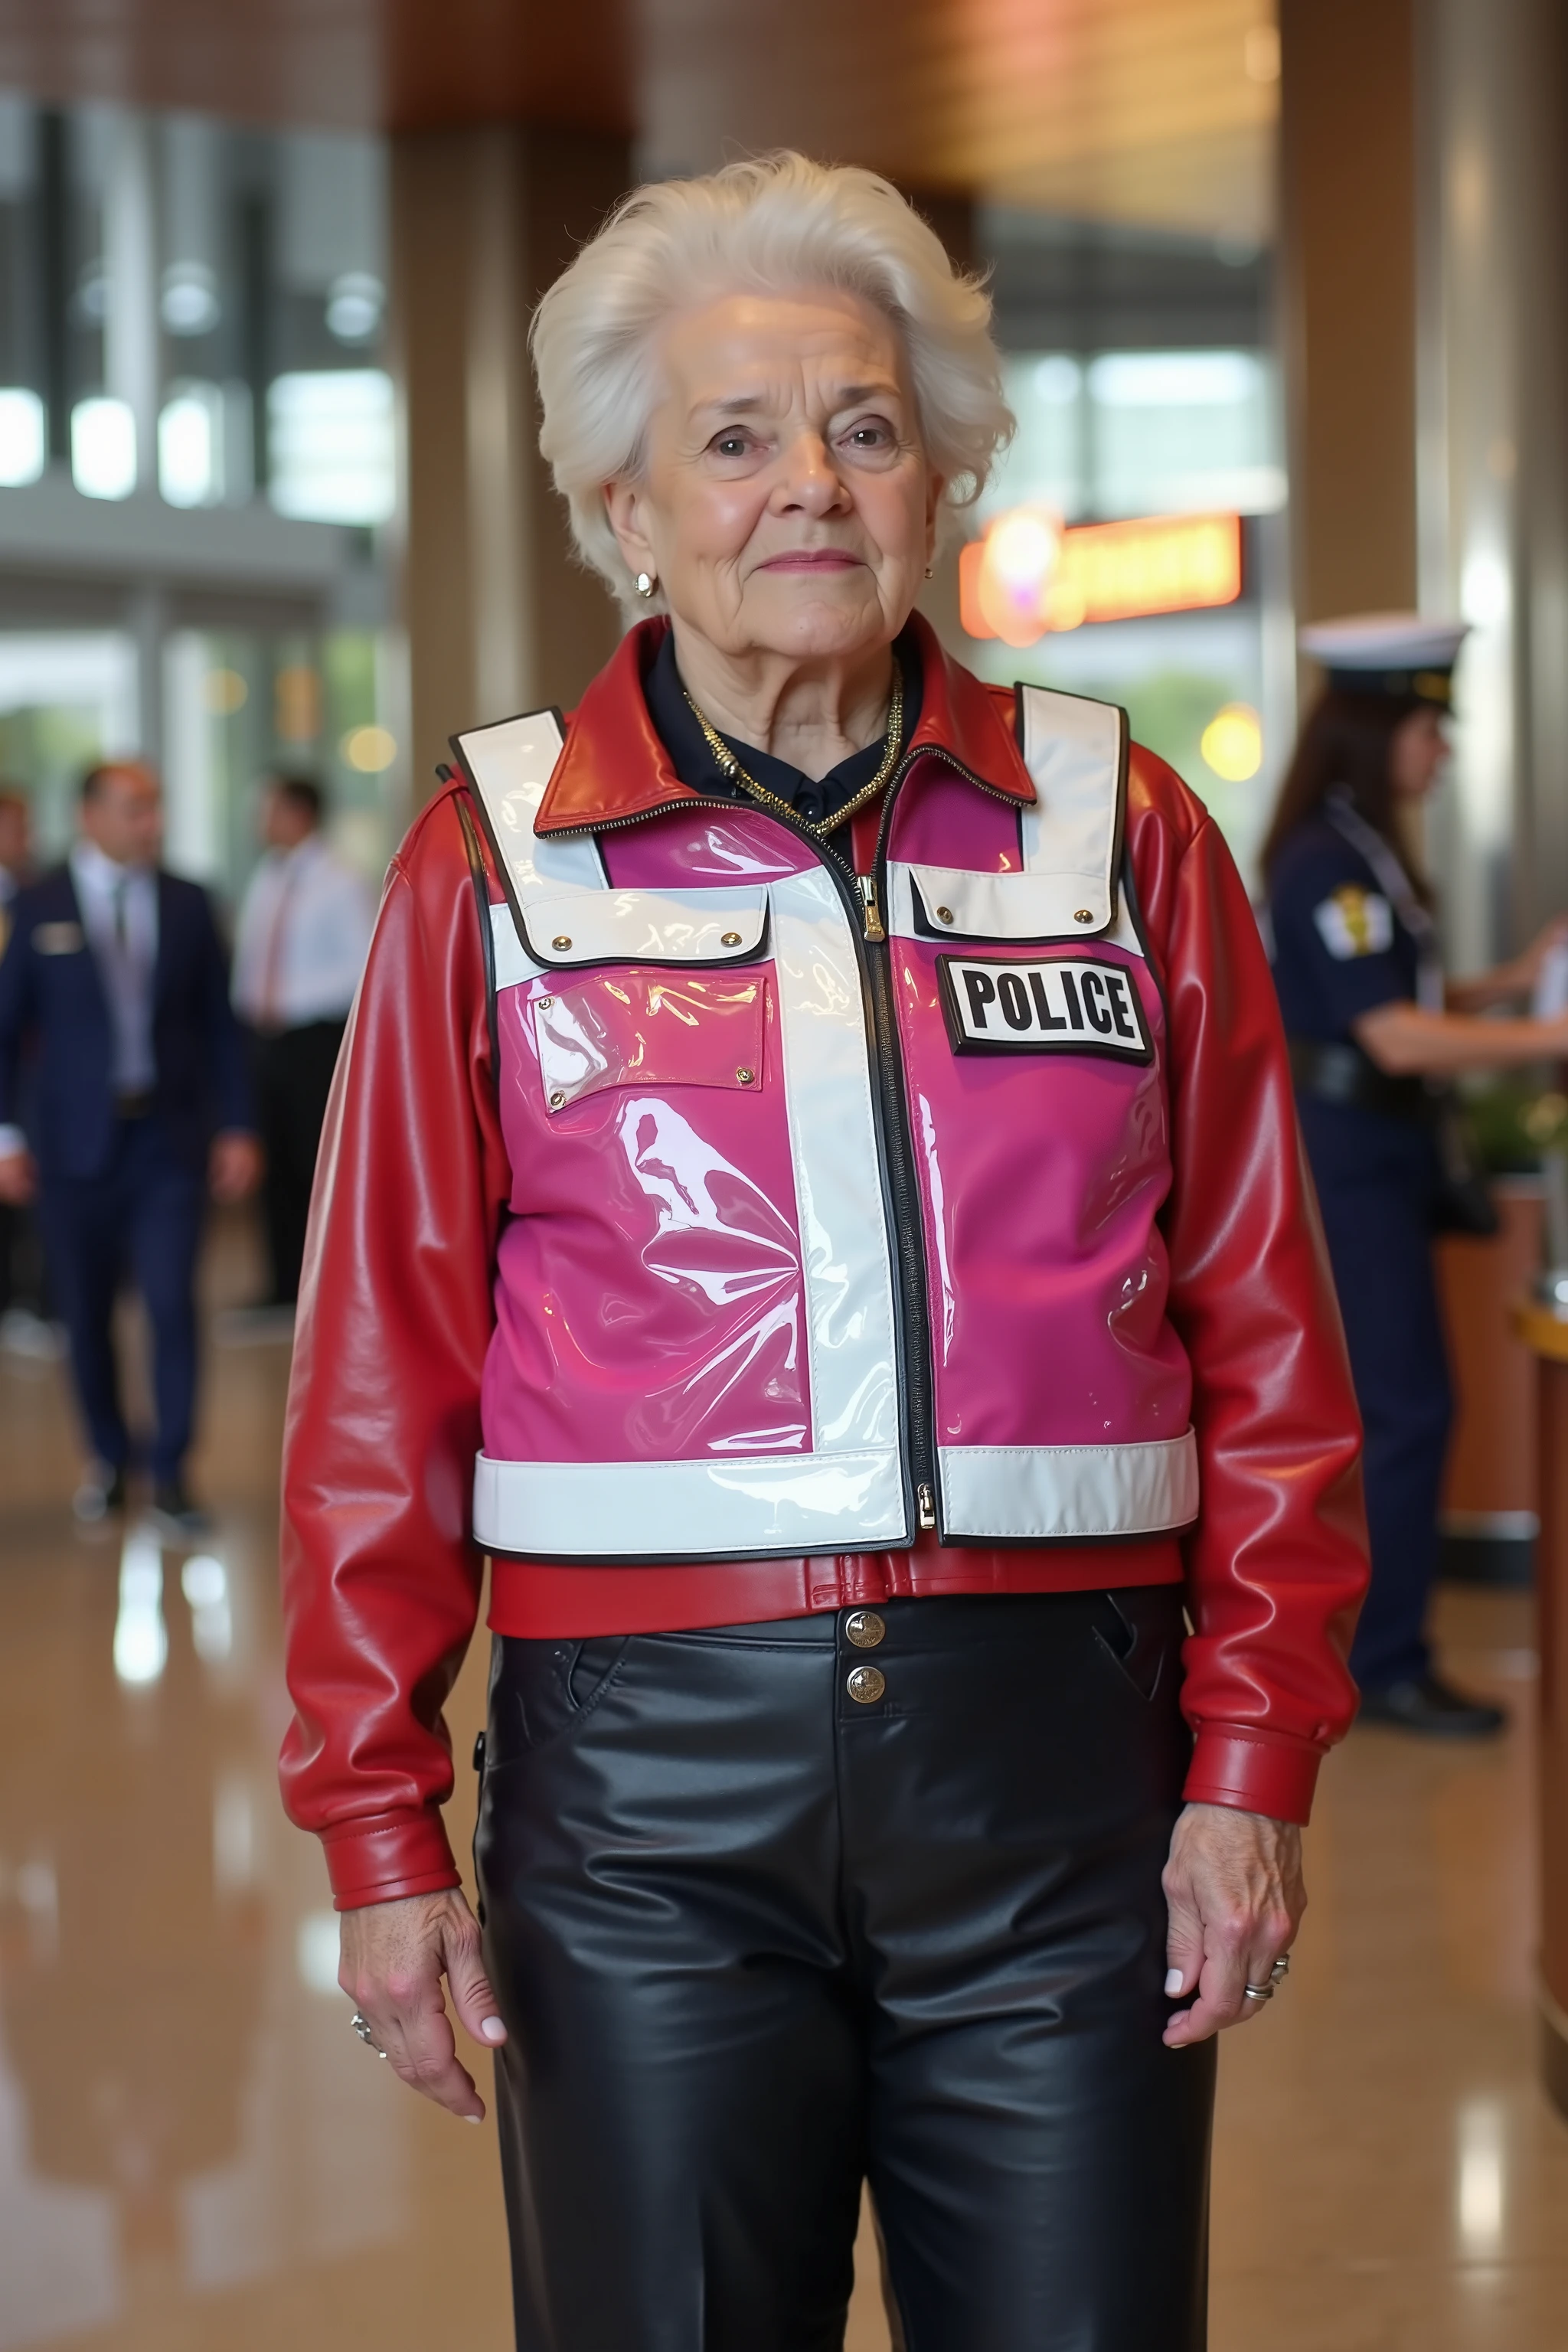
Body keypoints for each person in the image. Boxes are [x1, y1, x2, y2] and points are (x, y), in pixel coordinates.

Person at [279, 155, 1367, 2352]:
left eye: (866, 427)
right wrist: (378, 1830)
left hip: (1063, 1791)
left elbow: (1266, 1334)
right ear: (623, 507)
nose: (808, 483)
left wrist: (1248, 1764)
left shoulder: (1123, 833)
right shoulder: (488, 862)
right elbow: (379, 1381)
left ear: (941, 481)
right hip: (640, 1806)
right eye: (735, 436)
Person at [1264, 613, 1568, 1739]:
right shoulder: (1326, 863)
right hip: (1353, 1162)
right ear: (1374, 730)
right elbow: (1390, 1036)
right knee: (1403, 1411)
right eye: (1428, 729)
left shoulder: (1359, 852)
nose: (1440, 752)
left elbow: (1403, 1002)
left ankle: (1388, 1652)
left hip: (1380, 1155)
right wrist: (1550, 1034)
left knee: (1407, 1406)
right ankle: (1385, 1663)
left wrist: (1511, 983)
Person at [0, 759, 260, 1534]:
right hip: (69, 1147)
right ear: (90, 816)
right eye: (135, 809)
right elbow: (5, 1032)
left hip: (166, 1141)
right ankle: (111, 1459)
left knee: (171, 1302)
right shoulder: (37, 905)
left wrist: (237, 1125)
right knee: (84, 1312)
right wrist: (6, 1137)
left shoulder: (187, 902)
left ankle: (173, 1471)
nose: (153, 824)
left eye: (156, 808)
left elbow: (220, 1026)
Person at [231, 774, 374, 1308]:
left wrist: (286, 999)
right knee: (273, 1162)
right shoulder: (269, 874)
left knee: (313, 1161)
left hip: (316, 1039)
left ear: (299, 813)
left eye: (269, 810)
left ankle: (326, 1285)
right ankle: (282, 1283)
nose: (259, 822)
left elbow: (360, 968)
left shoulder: (341, 881)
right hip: (264, 1040)